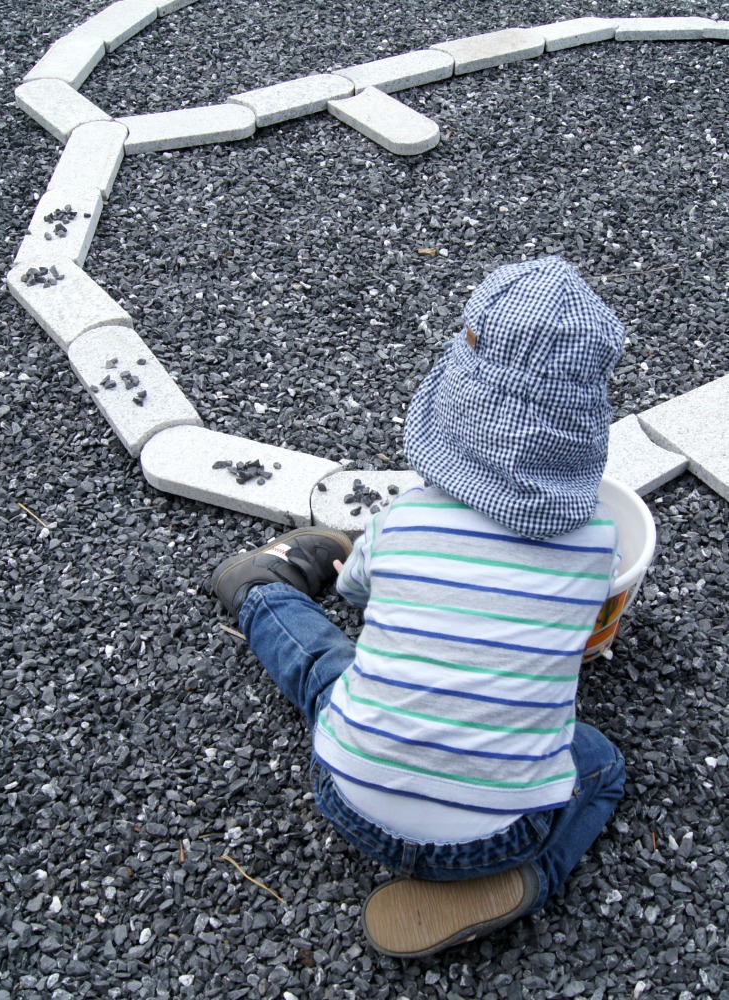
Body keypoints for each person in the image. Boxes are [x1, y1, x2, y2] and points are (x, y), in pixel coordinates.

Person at [211, 256, 628, 958]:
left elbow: (353, 592)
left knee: (328, 671)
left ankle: (258, 591)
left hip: (347, 797)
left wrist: (378, 573)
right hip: (504, 836)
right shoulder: (596, 548)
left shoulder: (403, 521)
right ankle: (532, 877)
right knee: (605, 765)